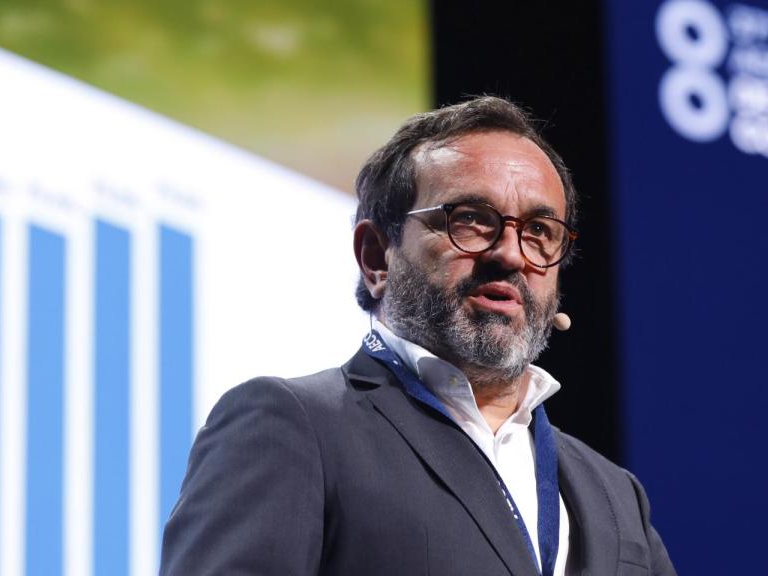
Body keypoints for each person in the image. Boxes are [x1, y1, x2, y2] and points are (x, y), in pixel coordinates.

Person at [160, 96, 676, 576]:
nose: (512, 255)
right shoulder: (291, 425)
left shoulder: (615, 492)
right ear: (376, 257)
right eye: (471, 220)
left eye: (540, 232)